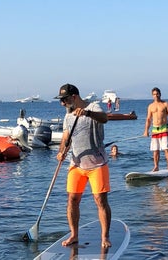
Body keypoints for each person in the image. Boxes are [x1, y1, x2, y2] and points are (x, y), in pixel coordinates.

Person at [53, 83, 112, 248]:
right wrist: (61, 151)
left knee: (100, 200)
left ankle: (105, 237)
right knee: (72, 200)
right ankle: (74, 235)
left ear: (74, 97)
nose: (62, 103)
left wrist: (87, 113)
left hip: (97, 164)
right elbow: (66, 138)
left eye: (64, 100)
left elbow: (104, 118)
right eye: (60, 100)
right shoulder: (68, 116)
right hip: (76, 163)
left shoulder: (93, 107)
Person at [143, 87, 168, 172]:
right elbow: (148, 119)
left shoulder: (165, 104)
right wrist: (146, 131)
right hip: (155, 129)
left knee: (166, 149)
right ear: (152, 95)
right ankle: (156, 166)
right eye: (154, 94)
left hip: (164, 128)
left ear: (160, 94)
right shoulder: (150, 106)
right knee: (155, 150)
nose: (156, 96)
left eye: (157, 94)